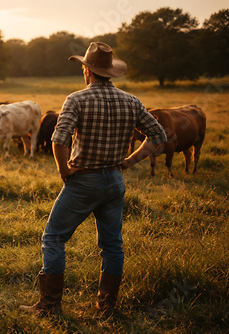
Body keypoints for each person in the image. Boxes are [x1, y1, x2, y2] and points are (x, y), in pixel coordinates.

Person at [19, 42, 167, 317]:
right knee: (112, 244)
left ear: (87, 70)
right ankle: (106, 308)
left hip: (83, 181)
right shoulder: (131, 101)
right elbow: (158, 135)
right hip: (114, 180)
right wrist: (128, 161)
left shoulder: (76, 99)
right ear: (110, 72)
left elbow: (59, 138)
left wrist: (64, 171)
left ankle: (50, 306)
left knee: (53, 238)